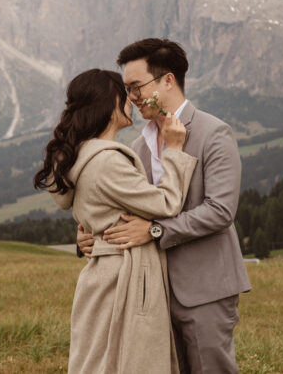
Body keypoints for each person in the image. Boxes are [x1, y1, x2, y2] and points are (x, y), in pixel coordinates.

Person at [78, 39, 252, 373]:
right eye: (127, 89)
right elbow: (126, 206)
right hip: (150, 296)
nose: (131, 97)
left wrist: (156, 230)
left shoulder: (214, 133)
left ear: (168, 81)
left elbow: (220, 211)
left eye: (136, 86)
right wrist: (89, 234)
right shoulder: (137, 146)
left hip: (205, 290)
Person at [34, 68, 197, 373]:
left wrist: (89, 235)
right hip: (125, 275)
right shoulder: (107, 160)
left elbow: (93, 209)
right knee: (129, 361)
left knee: (98, 360)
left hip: (101, 273)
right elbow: (166, 203)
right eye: (125, 94)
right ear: (110, 106)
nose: (132, 99)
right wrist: (174, 149)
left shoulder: (78, 156)